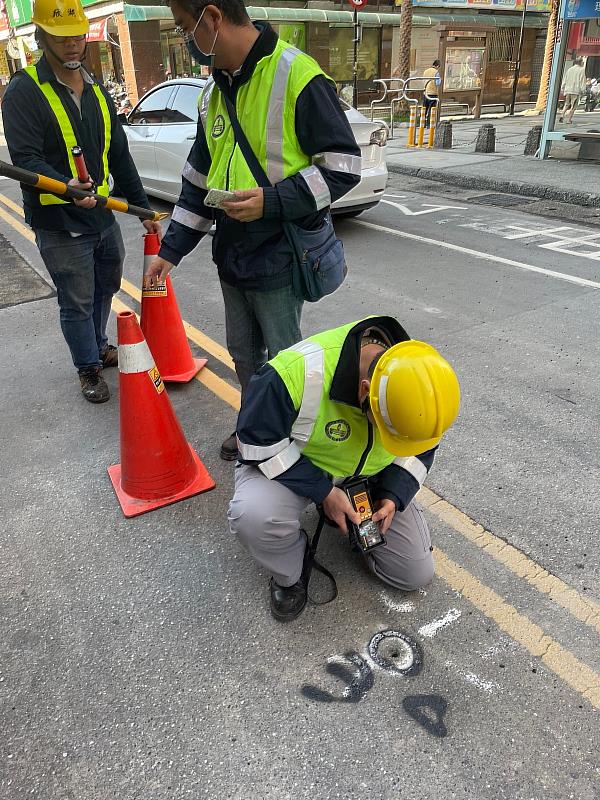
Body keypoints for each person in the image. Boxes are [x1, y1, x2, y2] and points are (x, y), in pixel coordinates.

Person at [144, 0, 361, 461]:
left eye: (186, 28)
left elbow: (343, 167)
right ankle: (257, 426)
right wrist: (172, 250)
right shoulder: (213, 91)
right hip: (233, 255)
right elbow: (199, 182)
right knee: (243, 354)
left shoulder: (298, 76)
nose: (187, 41)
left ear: (213, 18)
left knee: (287, 358)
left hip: (279, 256)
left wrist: (273, 201)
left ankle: (296, 442)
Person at [227, 316, 461, 622]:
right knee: (254, 515)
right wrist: (323, 491)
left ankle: (351, 519)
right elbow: (257, 444)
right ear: (366, 390)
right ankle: (289, 571)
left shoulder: (421, 383)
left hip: (369, 477)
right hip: (300, 470)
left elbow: (420, 449)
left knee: (413, 574)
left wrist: (393, 494)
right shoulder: (293, 374)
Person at [1, 0, 161, 404]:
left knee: (106, 285)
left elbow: (119, 153)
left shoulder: (95, 88)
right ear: (41, 38)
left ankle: (97, 344)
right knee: (76, 299)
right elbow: (26, 158)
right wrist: (64, 185)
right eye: (61, 37)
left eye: (76, 36)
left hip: (104, 218)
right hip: (61, 224)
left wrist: (143, 210)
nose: (72, 45)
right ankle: (87, 367)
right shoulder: (23, 92)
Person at [560, 57, 586, 124]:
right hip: (575, 90)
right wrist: (583, 90)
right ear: (580, 62)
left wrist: (563, 88)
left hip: (568, 90)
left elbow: (565, 79)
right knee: (573, 106)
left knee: (566, 104)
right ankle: (569, 120)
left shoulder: (570, 69)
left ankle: (562, 115)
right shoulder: (581, 70)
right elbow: (582, 80)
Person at [422, 59, 441, 127]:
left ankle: (422, 123)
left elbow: (423, 80)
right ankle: (429, 124)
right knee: (431, 109)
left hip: (425, 92)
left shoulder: (426, 71)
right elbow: (438, 83)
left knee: (424, 108)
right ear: (438, 66)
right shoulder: (436, 72)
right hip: (433, 93)